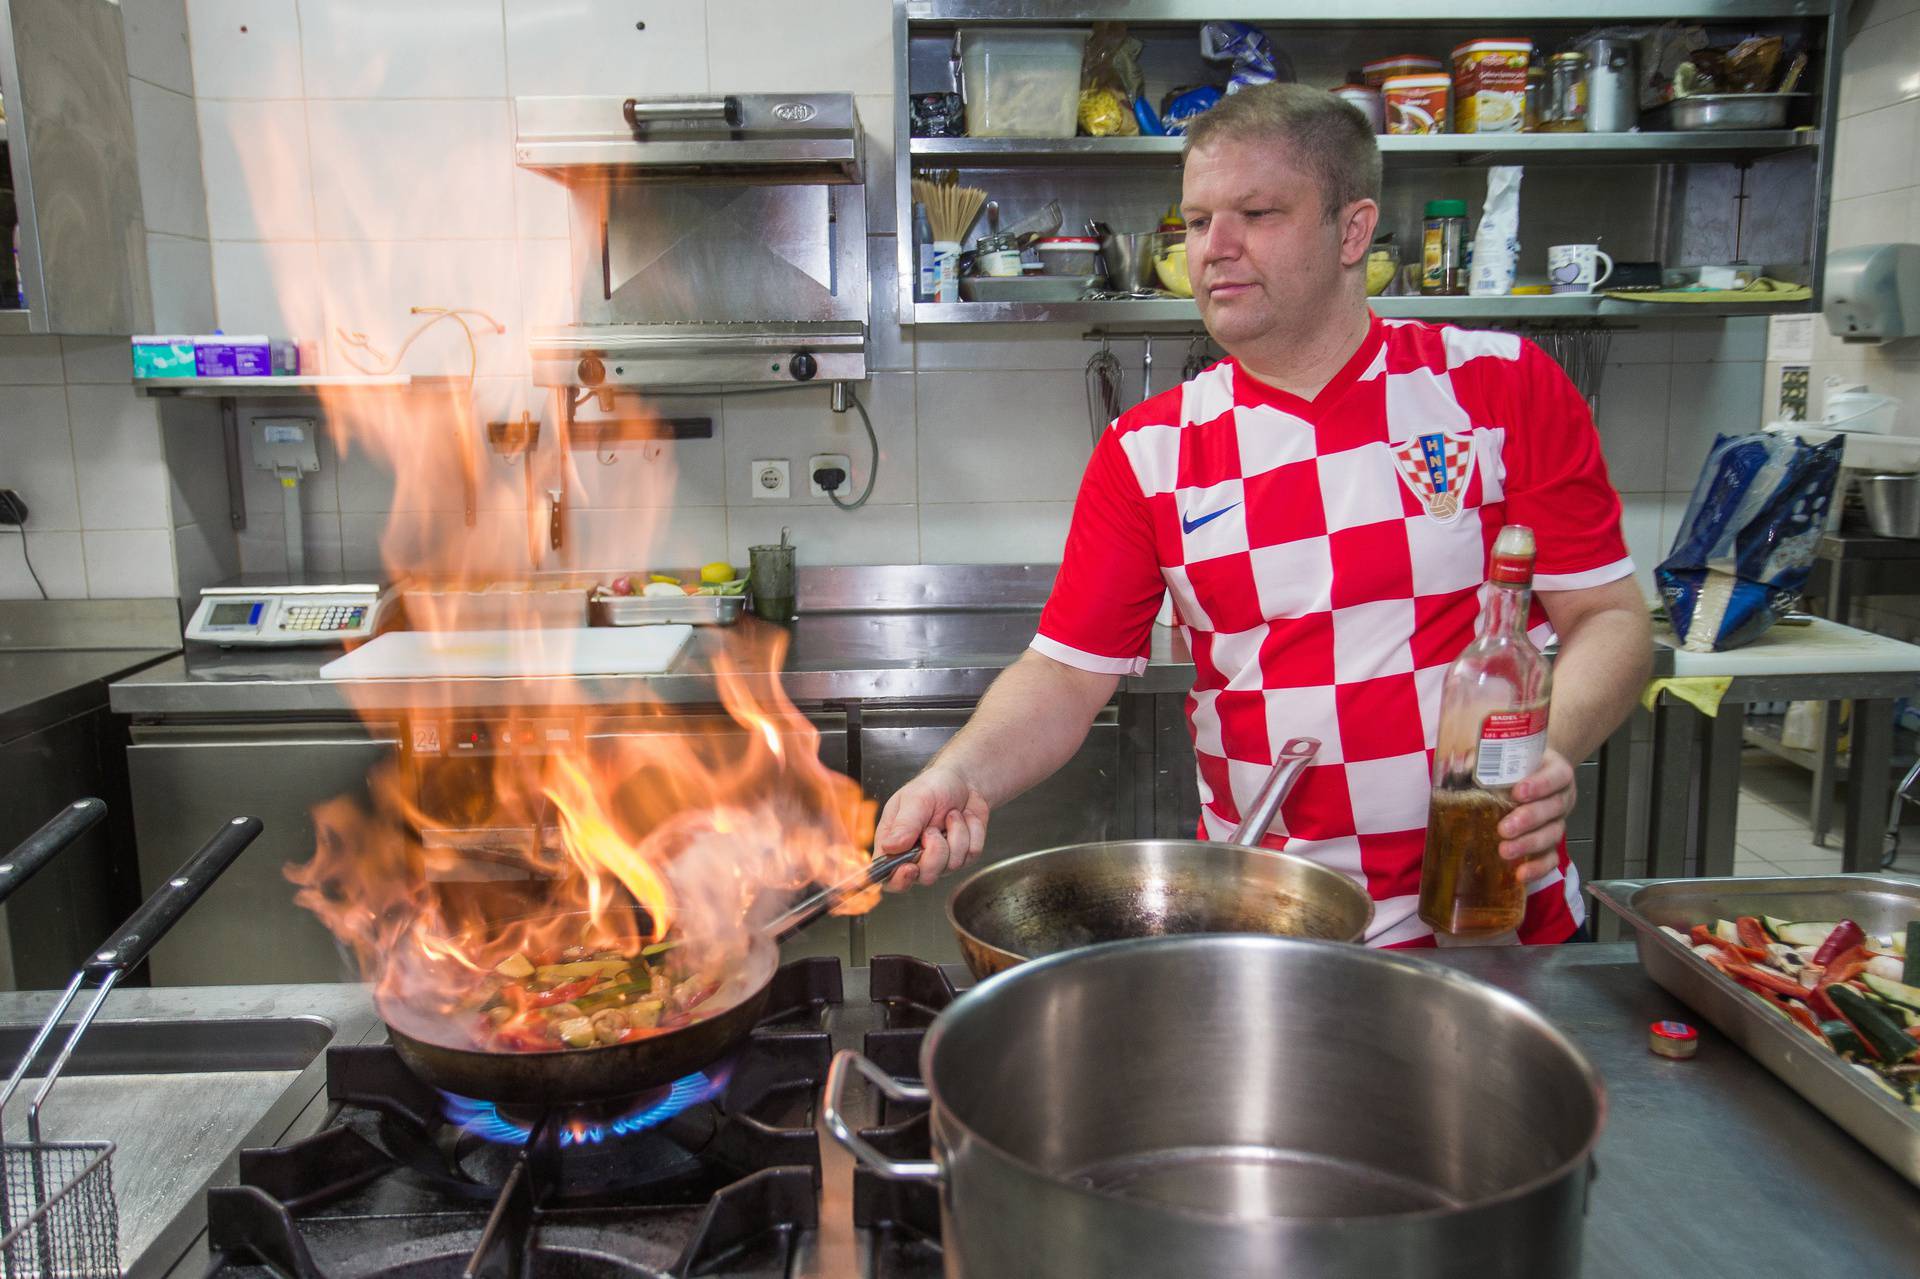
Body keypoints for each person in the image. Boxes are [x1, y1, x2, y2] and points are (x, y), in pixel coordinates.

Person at [875, 83, 1652, 946]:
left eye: (1257, 212)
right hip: (1278, 932)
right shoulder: (1151, 451)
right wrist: (959, 771)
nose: (1218, 248)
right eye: (1198, 221)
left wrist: (1553, 754)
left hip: (1497, 920)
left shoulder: (1500, 387)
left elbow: (1611, 619)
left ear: (1352, 230)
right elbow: (1063, 676)